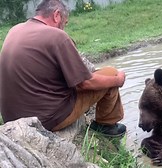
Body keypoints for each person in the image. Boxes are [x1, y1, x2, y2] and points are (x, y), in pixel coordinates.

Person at [0, 0, 127, 137]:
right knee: (111, 74)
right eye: (64, 23)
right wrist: (118, 80)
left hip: (12, 119)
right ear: (57, 15)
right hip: (46, 120)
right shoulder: (57, 36)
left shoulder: (15, 30)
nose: (63, 28)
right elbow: (85, 83)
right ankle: (106, 126)